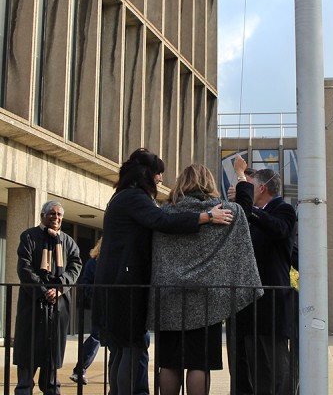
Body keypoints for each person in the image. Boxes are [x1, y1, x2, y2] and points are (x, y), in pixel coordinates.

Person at [92, 148, 233, 395]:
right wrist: (207, 216)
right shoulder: (135, 197)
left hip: (116, 283)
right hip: (127, 285)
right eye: (158, 174)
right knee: (132, 348)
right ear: (146, 173)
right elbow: (161, 222)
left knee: (122, 349)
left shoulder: (121, 196)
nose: (160, 179)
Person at [147, 163, 262, 395]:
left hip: (169, 299)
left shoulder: (165, 212)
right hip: (207, 302)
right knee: (199, 363)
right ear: (209, 183)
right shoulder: (224, 211)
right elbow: (245, 209)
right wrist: (240, 175)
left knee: (168, 362)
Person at [228, 155, 297, 395]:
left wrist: (249, 204)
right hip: (249, 306)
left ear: (262, 188)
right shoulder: (253, 215)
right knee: (254, 371)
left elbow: (279, 229)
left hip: (271, 307)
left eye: (251, 185)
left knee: (276, 369)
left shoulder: (284, 209)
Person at [13, 200, 83, 395]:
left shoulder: (68, 242)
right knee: (28, 359)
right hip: (33, 306)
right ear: (43, 216)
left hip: (58, 307)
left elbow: (75, 267)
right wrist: (44, 290)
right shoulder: (29, 237)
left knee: (51, 362)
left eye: (59, 215)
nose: (56, 218)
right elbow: (24, 268)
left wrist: (59, 288)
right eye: (52, 214)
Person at [70, 237, 103, 385]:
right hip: (100, 305)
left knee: (109, 340)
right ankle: (79, 370)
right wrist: (96, 295)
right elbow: (85, 283)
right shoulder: (93, 263)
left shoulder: (113, 262)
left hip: (113, 305)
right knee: (96, 337)